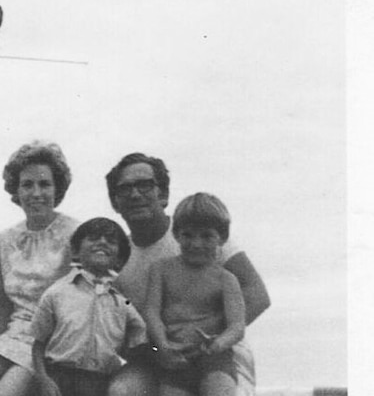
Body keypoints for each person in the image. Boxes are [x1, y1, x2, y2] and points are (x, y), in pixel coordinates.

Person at [104, 153, 271, 396]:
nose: (135, 194)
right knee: (122, 391)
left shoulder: (197, 231)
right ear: (115, 202)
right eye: (125, 188)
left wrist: (202, 336)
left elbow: (257, 294)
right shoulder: (116, 259)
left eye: (145, 185)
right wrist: (160, 350)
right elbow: (123, 332)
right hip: (160, 359)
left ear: (163, 195)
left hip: (219, 355)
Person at [0, 141, 82, 396]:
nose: (36, 192)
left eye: (44, 184)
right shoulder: (4, 240)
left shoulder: (75, 234)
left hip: (47, 343)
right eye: (27, 184)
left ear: (57, 188)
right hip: (10, 337)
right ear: (16, 190)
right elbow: (4, 302)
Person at [32, 217, 149, 396]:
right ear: (76, 252)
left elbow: (140, 334)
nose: (102, 242)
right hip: (58, 379)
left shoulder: (121, 301)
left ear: (119, 260)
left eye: (111, 241)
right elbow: (38, 343)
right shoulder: (56, 293)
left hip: (100, 383)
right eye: (94, 238)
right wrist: (43, 380)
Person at [144, 193, 245, 396]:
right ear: (176, 234)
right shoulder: (161, 270)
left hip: (215, 360)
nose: (196, 243)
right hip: (174, 358)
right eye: (188, 235)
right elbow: (151, 312)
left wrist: (218, 343)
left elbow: (237, 326)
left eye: (207, 236)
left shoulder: (226, 279)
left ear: (222, 238)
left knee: (220, 392)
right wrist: (163, 345)